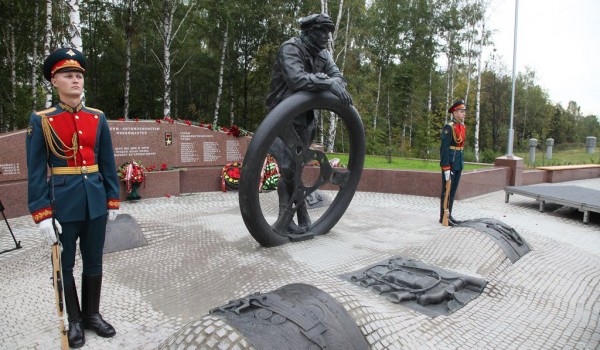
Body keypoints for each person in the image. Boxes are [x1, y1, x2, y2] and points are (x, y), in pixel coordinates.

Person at [26, 47, 120, 348]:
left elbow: (107, 161)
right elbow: (37, 170)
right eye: (68, 75)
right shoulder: (42, 120)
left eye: (79, 75)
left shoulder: (97, 117)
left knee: (94, 262)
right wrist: (41, 212)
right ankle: (75, 321)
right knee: (65, 265)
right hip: (63, 205)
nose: (75, 80)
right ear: (54, 81)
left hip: (94, 202)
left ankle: (92, 315)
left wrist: (112, 199)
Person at [266, 13, 353, 233]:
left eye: (329, 33)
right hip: (280, 118)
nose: (327, 37)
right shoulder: (291, 49)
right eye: (322, 32)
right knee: (287, 167)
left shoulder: (323, 54)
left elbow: (339, 78)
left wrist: (333, 82)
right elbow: (296, 79)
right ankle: (292, 217)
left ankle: (293, 219)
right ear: (309, 31)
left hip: (305, 120)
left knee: (295, 167)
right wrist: (327, 83)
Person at [439, 100, 467, 226]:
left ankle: (449, 214)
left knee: (453, 190)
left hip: (458, 162)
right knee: (447, 190)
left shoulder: (462, 127)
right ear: (454, 113)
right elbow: (444, 148)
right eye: (461, 112)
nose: (463, 114)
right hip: (450, 162)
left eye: (464, 112)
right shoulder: (449, 127)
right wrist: (445, 167)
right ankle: (443, 216)